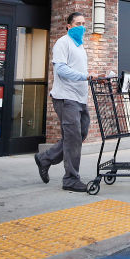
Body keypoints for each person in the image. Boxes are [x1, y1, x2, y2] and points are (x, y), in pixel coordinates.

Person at [34, 12, 96, 192]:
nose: (81, 26)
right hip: (66, 98)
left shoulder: (80, 46)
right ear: (68, 26)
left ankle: (45, 158)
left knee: (80, 133)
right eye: (77, 23)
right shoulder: (63, 43)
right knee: (73, 137)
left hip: (80, 98)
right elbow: (60, 69)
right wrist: (85, 76)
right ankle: (70, 179)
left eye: (84, 23)